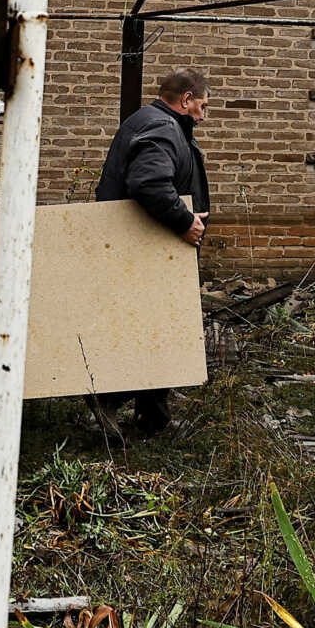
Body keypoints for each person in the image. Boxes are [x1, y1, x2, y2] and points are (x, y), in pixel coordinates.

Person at [94, 66, 211, 435]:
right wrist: (184, 221)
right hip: (147, 248)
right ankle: (110, 399)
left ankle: (152, 419)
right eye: (202, 107)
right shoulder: (162, 128)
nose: (204, 117)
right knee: (152, 331)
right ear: (186, 99)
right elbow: (150, 184)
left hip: (147, 248)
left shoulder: (152, 123)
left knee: (157, 330)